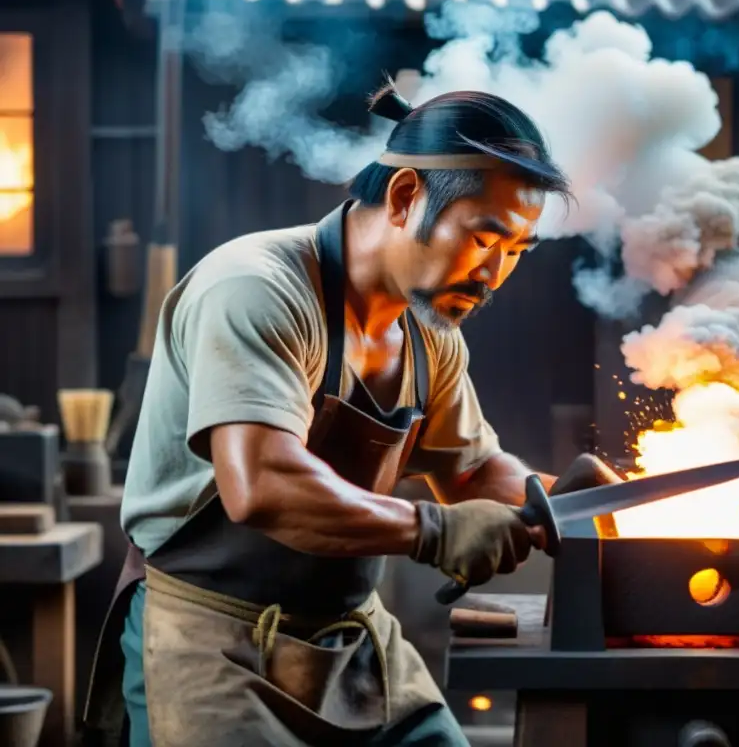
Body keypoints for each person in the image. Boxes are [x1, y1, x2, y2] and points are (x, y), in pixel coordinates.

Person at [81, 81, 616, 747]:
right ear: (403, 198)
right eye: (485, 239)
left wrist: (554, 500)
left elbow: (474, 470)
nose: (494, 275)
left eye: (516, 252)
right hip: (208, 643)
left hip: (354, 645)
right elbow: (264, 484)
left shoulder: (431, 335)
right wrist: (434, 531)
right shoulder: (256, 289)